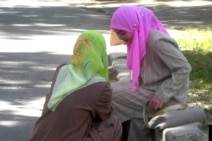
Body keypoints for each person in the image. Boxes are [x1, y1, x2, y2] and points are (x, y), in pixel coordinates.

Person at [109, 6, 192, 141]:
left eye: (122, 32)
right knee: (137, 117)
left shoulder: (156, 40)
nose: (120, 37)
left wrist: (162, 95)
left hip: (169, 97)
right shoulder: (139, 38)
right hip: (150, 90)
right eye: (117, 33)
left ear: (133, 26)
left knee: (107, 95)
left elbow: (184, 68)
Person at [28, 30, 122, 141]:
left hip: (38, 137)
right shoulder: (101, 88)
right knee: (113, 124)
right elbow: (103, 116)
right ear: (101, 52)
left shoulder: (61, 71)